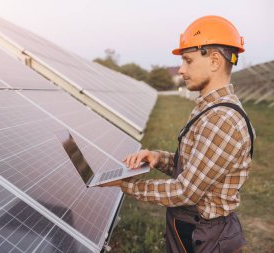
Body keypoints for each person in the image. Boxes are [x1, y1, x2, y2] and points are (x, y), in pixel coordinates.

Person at [101, 15, 255, 253]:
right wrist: (157, 157)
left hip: (206, 237)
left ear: (214, 61)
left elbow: (186, 190)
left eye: (187, 60)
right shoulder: (210, 109)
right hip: (194, 228)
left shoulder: (221, 120)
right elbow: (200, 167)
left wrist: (127, 185)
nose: (181, 70)